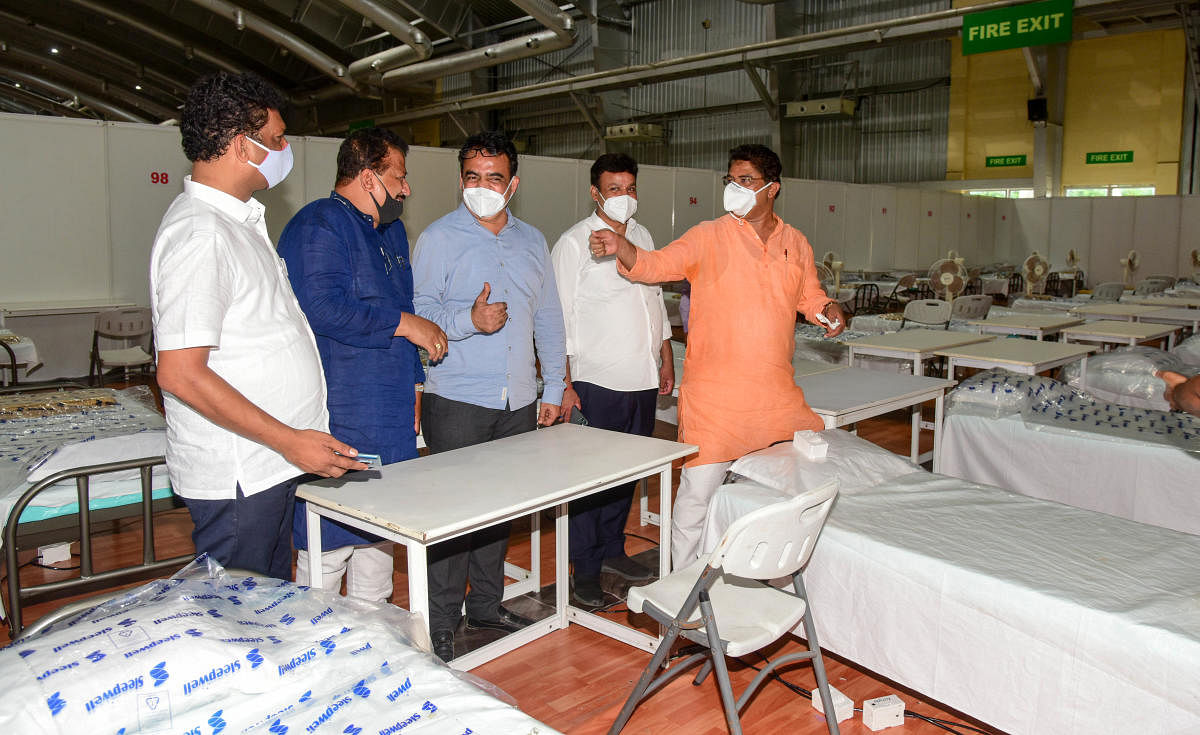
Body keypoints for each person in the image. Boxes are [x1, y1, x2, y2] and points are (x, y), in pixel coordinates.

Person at [150, 72, 364, 580]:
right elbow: (180, 374)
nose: (284, 149)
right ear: (236, 145)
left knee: (268, 613)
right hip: (242, 472)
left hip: (267, 464)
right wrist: (288, 438)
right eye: (274, 140)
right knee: (241, 628)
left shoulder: (235, 222)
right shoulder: (201, 232)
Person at [590, 143, 847, 564]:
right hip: (717, 403)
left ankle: (763, 572)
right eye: (730, 180)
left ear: (772, 189)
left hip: (775, 397)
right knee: (695, 500)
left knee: (792, 490)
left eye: (745, 181)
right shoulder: (710, 235)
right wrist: (623, 248)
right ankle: (681, 595)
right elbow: (657, 265)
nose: (734, 189)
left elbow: (810, 296)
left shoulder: (794, 242)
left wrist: (828, 310)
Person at [412, 130, 566, 662]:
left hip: (517, 400)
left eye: (493, 178)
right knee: (453, 519)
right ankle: (441, 620)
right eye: (472, 178)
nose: (481, 187)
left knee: (500, 513)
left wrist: (555, 386)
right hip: (456, 399)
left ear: (512, 184)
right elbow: (418, 316)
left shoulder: (533, 241)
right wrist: (469, 321)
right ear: (461, 181)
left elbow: (548, 318)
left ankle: (486, 607)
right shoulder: (437, 239)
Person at [277, 127, 447, 602]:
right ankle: (312, 650)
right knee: (329, 543)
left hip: (390, 411)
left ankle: (375, 645)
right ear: (369, 178)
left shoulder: (390, 231)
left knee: (380, 537)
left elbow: (403, 303)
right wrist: (405, 325)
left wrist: (415, 388)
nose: (406, 189)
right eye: (399, 177)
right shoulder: (318, 226)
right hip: (341, 409)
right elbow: (323, 308)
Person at [550, 153, 674, 607]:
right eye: (614, 189)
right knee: (590, 481)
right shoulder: (572, 244)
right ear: (595, 192)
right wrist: (563, 383)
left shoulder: (642, 236)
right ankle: (583, 570)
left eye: (630, 188)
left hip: (641, 377)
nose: (624, 197)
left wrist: (665, 356)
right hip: (596, 381)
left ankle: (611, 550)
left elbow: (653, 301)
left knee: (628, 476)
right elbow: (556, 317)